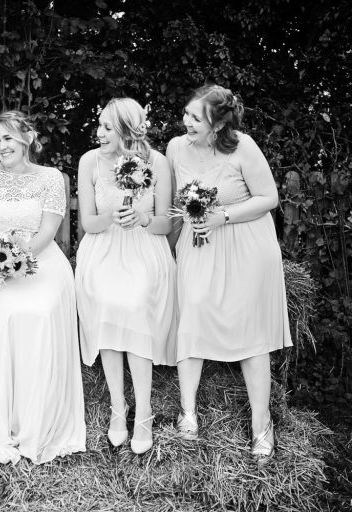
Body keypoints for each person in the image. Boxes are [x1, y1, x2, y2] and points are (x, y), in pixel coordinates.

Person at [0, 110, 86, 464]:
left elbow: (48, 232)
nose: (1, 145)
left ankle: (35, 413)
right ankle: (0, 411)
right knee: (4, 314)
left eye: (8, 137)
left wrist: (15, 261)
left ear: (27, 138)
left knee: (38, 312)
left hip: (41, 263)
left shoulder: (50, 178)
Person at [166, 84, 292, 462]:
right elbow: (173, 201)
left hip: (245, 244)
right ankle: (188, 413)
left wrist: (222, 216)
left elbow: (269, 198)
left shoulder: (243, 147)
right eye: (187, 114)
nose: (187, 122)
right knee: (192, 314)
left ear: (218, 125)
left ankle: (261, 424)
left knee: (251, 332)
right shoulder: (175, 148)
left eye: (196, 118)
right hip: (198, 244)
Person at [74, 98, 176, 454]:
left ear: (127, 130)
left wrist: (143, 219)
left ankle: (144, 410)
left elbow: (165, 224)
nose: (99, 133)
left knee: (133, 304)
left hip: (144, 247)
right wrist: (111, 218)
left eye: (107, 127)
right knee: (105, 301)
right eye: (99, 125)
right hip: (103, 247)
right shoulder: (89, 161)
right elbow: (88, 222)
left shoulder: (156, 161)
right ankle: (119, 406)